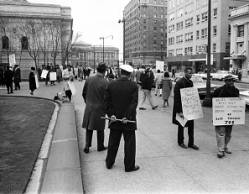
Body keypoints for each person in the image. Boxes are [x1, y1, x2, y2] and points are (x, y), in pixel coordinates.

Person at [105, 64, 139, 172]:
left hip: (115, 119)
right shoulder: (134, 86)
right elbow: (133, 104)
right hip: (128, 120)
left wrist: (111, 115)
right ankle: (129, 166)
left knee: (113, 142)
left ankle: (109, 163)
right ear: (129, 74)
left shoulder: (111, 85)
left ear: (120, 73)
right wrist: (126, 116)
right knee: (129, 143)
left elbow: (107, 103)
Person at [82, 63, 108, 153]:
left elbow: (84, 93)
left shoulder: (89, 79)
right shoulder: (105, 82)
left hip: (89, 107)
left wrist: (87, 102)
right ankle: (100, 145)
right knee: (100, 129)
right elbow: (107, 97)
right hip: (100, 108)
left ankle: (87, 145)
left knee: (89, 128)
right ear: (105, 71)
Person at [212, 75, 239, 158]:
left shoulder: (236, 91)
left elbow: (237, 103)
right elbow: (213, 103)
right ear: (225, 81)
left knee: (228, 134)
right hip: (220, 116)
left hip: (230, 116)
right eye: (229, 81)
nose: (231, 82)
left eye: (232, 81)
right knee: (221, 133)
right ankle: (221, 150)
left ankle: (225, 146)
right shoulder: (218, 90)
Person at [172, 67, 199, 150]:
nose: (190, 75)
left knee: (191, 126)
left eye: (191, 73)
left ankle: (191, 143)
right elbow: (176, 98)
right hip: (181, 108)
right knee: (181, 126)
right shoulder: (179, 83)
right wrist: (179, 111)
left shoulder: (190, 82)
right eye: (189, 73)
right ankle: (180, 142)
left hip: (190, 108)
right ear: (185, 73)